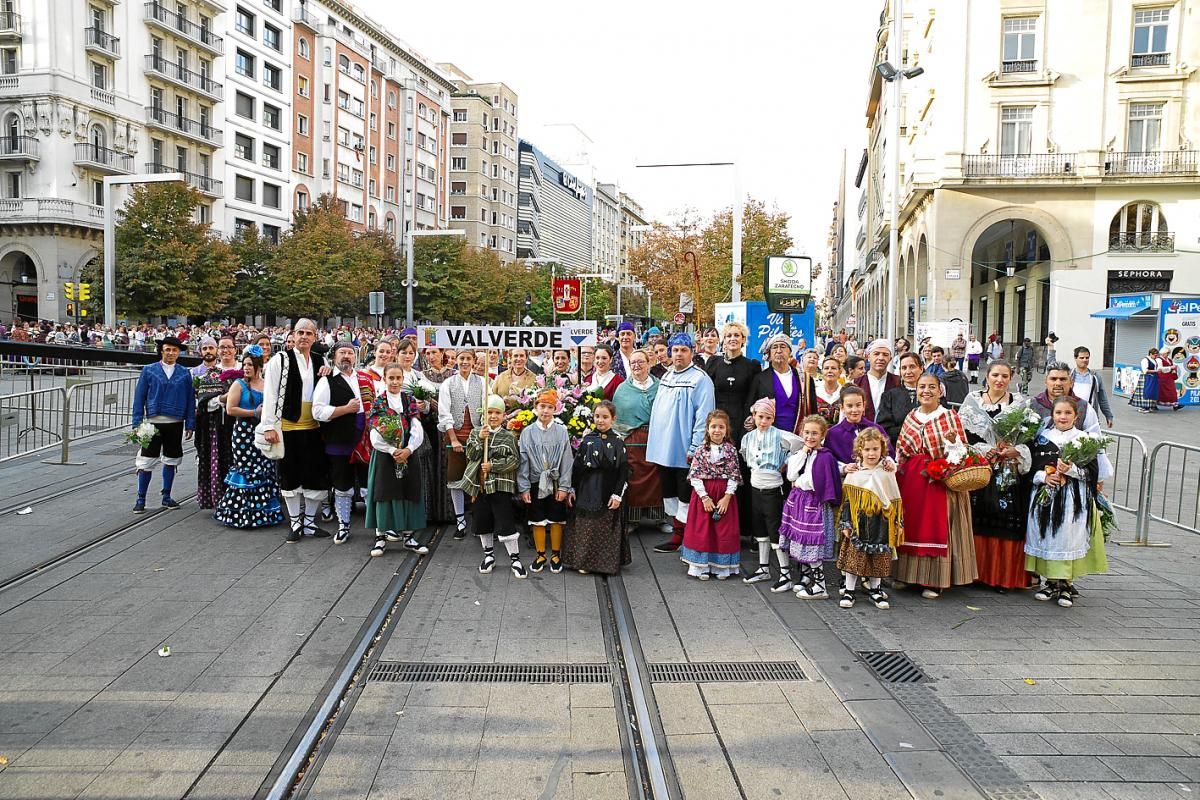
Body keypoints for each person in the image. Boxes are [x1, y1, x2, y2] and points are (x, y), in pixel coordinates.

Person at [894, 373, 977, 599]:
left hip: (939, 479)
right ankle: (907, 574)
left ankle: (935, 580)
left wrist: (951, 442)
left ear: (941, 391)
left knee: (934, 525)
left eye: (932, 387)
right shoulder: (912, 416)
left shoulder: (949, 417)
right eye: (922, 387)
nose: (926, 391)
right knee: (910, 524)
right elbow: (901, 449)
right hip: (911, 479)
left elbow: (962, 453)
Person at [1026, 396, 1112, 607]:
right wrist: (1044, 477)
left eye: (1067, 413)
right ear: (1052, 415)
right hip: (1045, 497)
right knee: (1046, 536)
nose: (1062, 417)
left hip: (1072, 500)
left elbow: (1091, 475)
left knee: (1066, 537)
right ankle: (1049, 581)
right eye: (1058, 413)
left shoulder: (1084, 439)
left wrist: (1071, 470)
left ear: (1076, 416)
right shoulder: (1042, 438)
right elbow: (1030, 468)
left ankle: (1066, 583)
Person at [959, 361, 1033, 592]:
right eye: (995, 375)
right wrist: (982, 449)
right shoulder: (972, 401)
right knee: (977, 519)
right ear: (987, 376)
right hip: (981, 467)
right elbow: (963, 436)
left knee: (1007, 520)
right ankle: (974, 573)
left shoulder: (1020, 404)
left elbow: (1029, 437)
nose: (999, 380)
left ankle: (1003, 576)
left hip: (1009, 469)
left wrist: (1016, 450)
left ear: (1010, 378)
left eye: (1004, 376)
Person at [260, 319, 331, 543]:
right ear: (293, 334)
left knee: (314, 476)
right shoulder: (280, 359)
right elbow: (270, 393)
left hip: (314, 427)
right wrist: (269, 426)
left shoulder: (321, 359)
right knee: (290, 475)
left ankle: (310, 522)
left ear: (315, 336)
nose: (304, 337)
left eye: (309, 333)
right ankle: (295, 522)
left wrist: (329, 372)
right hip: (288, 426)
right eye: (300, 332)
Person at [648, 333, 717, 553]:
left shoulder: (700, 379)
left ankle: (685, 538)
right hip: (663, 446)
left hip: (684, 447)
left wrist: (696, 446)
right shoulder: (667, 375)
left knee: (685, 492)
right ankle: (678, 532)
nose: (678, 354)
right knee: (668, 491)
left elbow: (704, 416)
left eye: (683, 350)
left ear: (692, 352)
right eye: (675, 350)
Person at [312, 342, 376, 544]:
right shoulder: (326, 380)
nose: (346, 356)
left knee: (369, 484)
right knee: (342, 484)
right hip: (339, 439)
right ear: (334, 357)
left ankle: (377, 527)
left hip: (365, 439)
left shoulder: (365, 378)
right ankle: (343, 525)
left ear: (355, 357)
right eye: (342, 353)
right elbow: (318, 412)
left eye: (350, 353)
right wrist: (345, 409)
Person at [365, 363, 430, 558]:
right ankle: (381, 537)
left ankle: (409, 536)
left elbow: (417, 428)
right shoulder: (379, 403)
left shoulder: (409, 400)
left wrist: (409, 449)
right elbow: (375, 434)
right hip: (385, 456)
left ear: (403, 379)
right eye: (391, 378)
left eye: (398, 378)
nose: (394, 382)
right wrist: (393, 450)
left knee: (409, 490)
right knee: (384, 492)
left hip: (408, 454)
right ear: (384, 379)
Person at [215, 346, 284, 528]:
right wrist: (254, 411)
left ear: (259, 366)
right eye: (244, 364)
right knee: (247, 470)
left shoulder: (266, 384)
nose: (246, 368)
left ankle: (264, 513)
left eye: (250, 365)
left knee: (265, 468)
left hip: (262, 432)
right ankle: (243, 514)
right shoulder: (239, 384)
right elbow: (231, 409)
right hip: (244, 433)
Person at [457, 395, 525, 576]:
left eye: (497, 413)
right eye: (489, 412)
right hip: (480, 486)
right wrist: (480, 438)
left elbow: (514, 461)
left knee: (506, 522)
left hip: (500, 487)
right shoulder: (476, 433)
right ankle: (489, 556)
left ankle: (515, 559)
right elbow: (471, 455)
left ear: (503, 416)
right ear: (484, 414)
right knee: (482, 520)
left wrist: (494, 466)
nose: (493, 416)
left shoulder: (508, 436)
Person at [836, 427, 903, 609]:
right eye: (867, 449)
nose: (871, 453)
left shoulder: (887, 472)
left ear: (882, 449)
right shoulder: (855, 472)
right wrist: (846, 523)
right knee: (854, 559)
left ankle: (875, 590)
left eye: (875, 449)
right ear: (860, 450)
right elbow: (848, 501)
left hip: (881, 523)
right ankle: (849, 591)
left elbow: (895, 499)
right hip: (859, 523)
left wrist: (897, 523)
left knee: (878, 558)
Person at [777, 414, 841, 599]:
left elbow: (814, 481)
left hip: (814, 504)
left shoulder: (825, 456)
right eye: (806, 433)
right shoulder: (803, 453)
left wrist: (800, 482)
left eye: (815, 433)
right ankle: (810, 578)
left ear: (823, 435)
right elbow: (790, 475)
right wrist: (804, 451)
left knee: (812, 543)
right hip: (799, 502)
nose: (810, 437)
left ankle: (820, 586)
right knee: (801, 541)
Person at [739, 398, 801, 588]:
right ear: (754, 416)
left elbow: (800, 445)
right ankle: (764, 568)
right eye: (760, 417)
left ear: (773, 418)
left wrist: (787, 462)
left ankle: (785, 573)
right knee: (760, 531)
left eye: (768, 417)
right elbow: (744, 453)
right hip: (755, 487)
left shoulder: (781, 436)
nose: (763, 421)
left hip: (773, 488)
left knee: (775, 531)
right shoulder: (748, 437)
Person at [563, 401, 630, 575]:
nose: (600, 420)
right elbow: (577, 467)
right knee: (586, 527)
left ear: (613, 419)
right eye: (597, 416)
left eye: (605, 417)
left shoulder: (618, 442)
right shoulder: (587, 440)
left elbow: (623, 471)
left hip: (607, 490)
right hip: (586, 490)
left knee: (605, 527)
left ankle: (604, 564)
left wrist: (617, 494)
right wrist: (572, 489)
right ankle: (583, 562)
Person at [131, 336, 196, 512]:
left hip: (175, 422)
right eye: (167, 349)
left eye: (174, 350)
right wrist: (136, 422)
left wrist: (190, 423)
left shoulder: (184, 373)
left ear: (179, 352)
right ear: (161, 350)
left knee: (172, 459)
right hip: (151, 422)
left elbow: (191, 400)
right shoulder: (149, 370)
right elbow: (139, 397)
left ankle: (166, 496)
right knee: (145, 460)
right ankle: (140, 498)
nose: (171, 353)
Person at [680, 410, 743, 580]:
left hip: (723, 494)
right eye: (713, 426)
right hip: (704, 494)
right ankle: (701, 566)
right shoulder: (701, 450)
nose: (717, 430)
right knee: (703, 530)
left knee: (723, 530)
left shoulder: (730, 450)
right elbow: (695, 475)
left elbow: (734, 475)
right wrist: (704, 497)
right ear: (707, 429)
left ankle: (721, 567)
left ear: (726, 429)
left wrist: (727, 497)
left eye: (721, 427)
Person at [518, 389, 574, 573]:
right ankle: (541, 554)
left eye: (550, 407)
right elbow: (523, 462)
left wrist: (565, 486)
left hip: (556, 482)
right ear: (535, 407)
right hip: (535, 482)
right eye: (542, 406)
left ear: (555, 409)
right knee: (537, 518)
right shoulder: (527, 433)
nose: (545, 411)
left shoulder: (561, 431)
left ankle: (556, 554)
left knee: (557, 517)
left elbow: (567, 461)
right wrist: (524, 487)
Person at [611, 350, 662, 526]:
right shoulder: (623, 389)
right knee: (633, 477)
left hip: (656, 438)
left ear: (649, 363)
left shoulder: (661, 387)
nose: (637, 365)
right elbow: (618, 417)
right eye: (633, 362)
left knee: (657, 478)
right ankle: (633, 520)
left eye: (641, 362)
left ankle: (658, 519)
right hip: (631, 439)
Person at [437, 350, 485, 536]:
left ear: (474, 361)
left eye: (468, 359)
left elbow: (486, 408)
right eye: (461, 358)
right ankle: (460, 521)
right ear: (455, 361)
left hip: (477, 436)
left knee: (479, 478)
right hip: (456, 435)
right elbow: (444, 412)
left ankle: (479, 519)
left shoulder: (482, 382)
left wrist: (482, 434)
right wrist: (454, 438)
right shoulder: (448, 383)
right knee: (456, 478)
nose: (465, 362)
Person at [747, 334, 818, 435]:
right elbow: (751, 409)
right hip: (769, 438)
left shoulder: (804, 379)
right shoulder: (759, 379)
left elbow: (813, 411)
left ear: (790, 352)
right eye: (775, 347)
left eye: (783, 347)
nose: (779, 350)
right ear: (769, 353)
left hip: (799, 437)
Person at [825, 385, 893, 469]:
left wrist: (888, 462)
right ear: (842, 407)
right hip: (847, 480)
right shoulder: (833, 434)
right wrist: (844, 468)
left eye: (858, 405)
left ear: (864, 406)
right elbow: (829, 461)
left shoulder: (876, 429)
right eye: (849, 406)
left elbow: (889, 453)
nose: (854, 410)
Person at [1032, 364, 1103, 434]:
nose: (1058, 383)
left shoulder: (1084, 407)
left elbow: (1095, 437)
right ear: (1046, 382)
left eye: (1063, 379)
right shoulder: (1032, 405)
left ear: (1071, 382)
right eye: (1053, 379)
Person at [876, 352, 924, 446]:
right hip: (898, 448)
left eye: (912, 367)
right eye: (904, 368)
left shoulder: (932, 394)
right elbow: (884, 427)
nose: (908, 371)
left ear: (921, 368)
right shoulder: (890, 396)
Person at [1066, 347, 1115, 427]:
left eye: (1087, 358)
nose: (1085, 360)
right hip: (1070, 416)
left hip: (1089, 417)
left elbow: (1102, 398)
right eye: (1081, 358)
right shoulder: (1069, 375)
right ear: (1075, 358)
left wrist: (1108, 416)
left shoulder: (1095, 377)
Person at [854, 339, 900, 421]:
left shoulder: (898, 382)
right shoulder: (856, 383)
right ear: (868, 356)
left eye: (885, 355)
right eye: (876, 354)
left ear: (890, 358)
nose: (881, 358)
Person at [814, 356, 844, 425]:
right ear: (822, 372)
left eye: (833, 368)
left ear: (840, 372)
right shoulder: (815, 393)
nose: (829, 371)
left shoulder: (845, 393)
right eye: (826, 368)